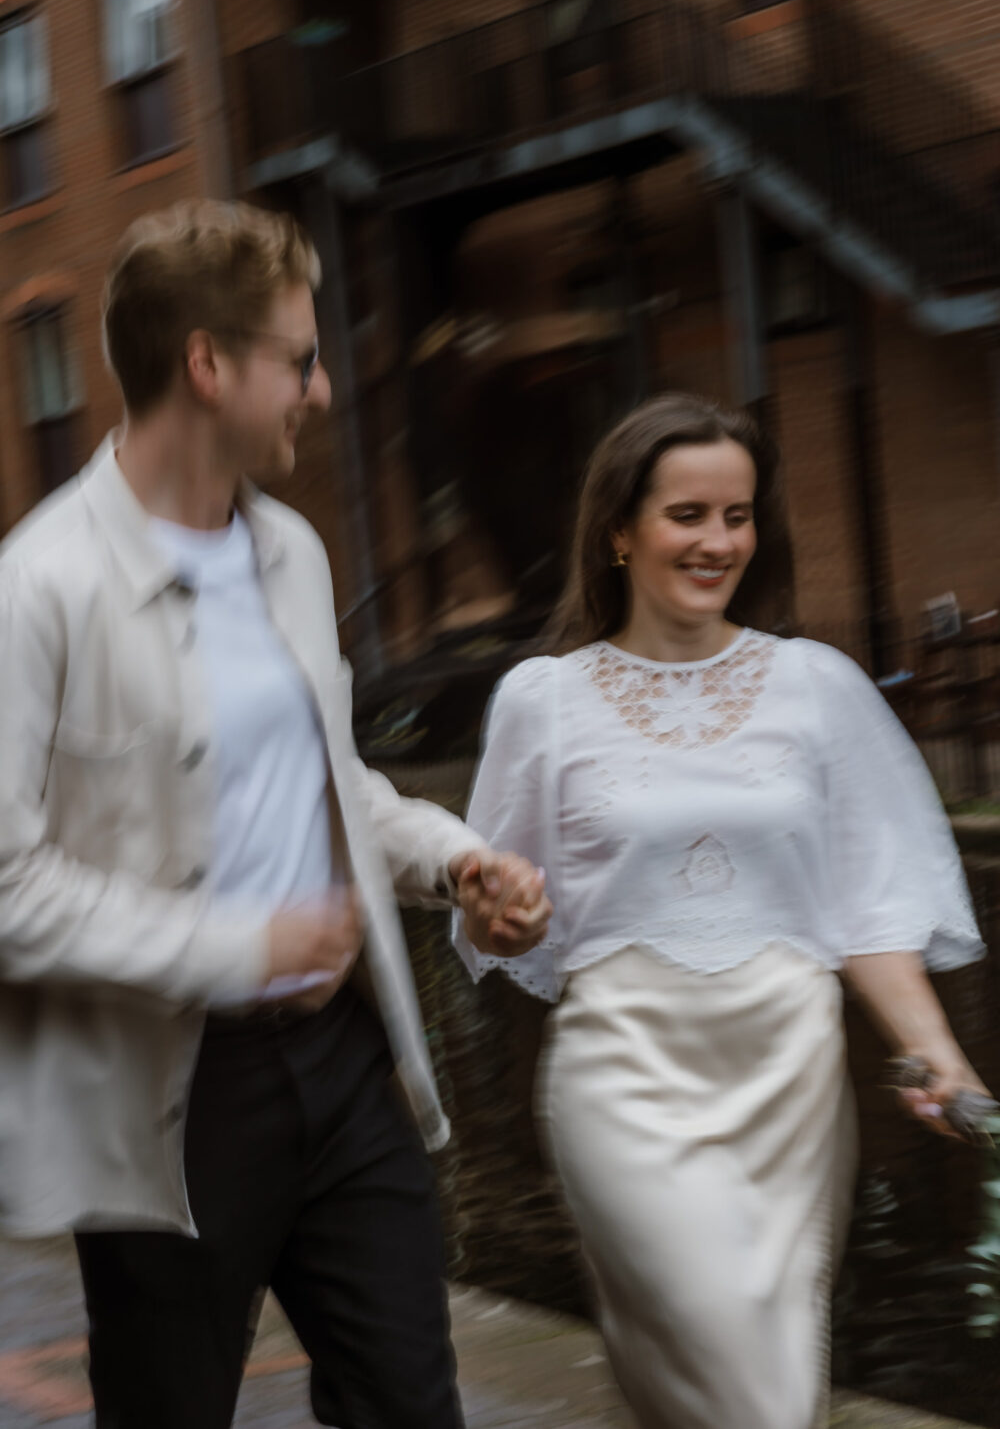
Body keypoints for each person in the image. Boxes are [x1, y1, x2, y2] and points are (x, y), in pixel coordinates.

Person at [0, 199, 551, 1429]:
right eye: (298, 358)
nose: (321, 386)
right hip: (171, 1103)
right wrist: (240, 947)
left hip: (347, 1067)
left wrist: (452, 859)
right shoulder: (37, 588)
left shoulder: (293, 551)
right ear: (207, 363)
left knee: (412, 1405)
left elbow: (329, 781)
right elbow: (7, 887)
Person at [455, 392, 990, 1429]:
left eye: (736, 517)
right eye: (686, 515)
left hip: (788, 1086)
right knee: (746, 1391)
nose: (716, 542)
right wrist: (499, 913)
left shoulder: (818, 687)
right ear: (619, 530)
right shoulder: (542, 699)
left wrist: (936, 1054)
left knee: (761, 1383)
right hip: (625, 1081)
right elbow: (493, 914)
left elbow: (868, 907)